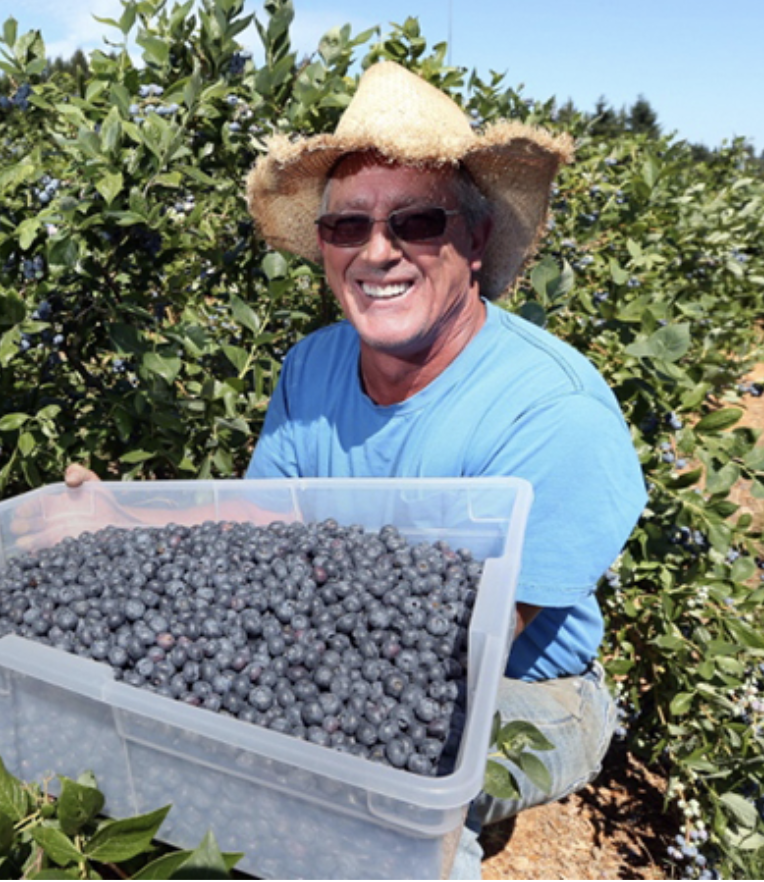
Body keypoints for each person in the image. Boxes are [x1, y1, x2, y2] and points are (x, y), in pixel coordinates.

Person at [71, 61, 646, 877]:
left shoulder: (552, 412)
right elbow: (254, 542)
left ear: (475, 240)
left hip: (526, 690)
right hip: (345, 650)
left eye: (415, 222)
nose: (379, 253)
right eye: (348, 227)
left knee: (388, 768)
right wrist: (123, 533)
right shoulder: (311, 368)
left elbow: (445, 656)